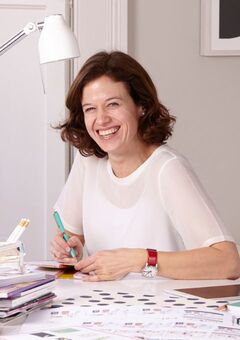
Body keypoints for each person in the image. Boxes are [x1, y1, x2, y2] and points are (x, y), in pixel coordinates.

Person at [51, 51, 240, 282]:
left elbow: (228, 262)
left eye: (112, 104)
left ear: (141, 106)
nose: (101, 120)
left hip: (164, 311)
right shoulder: (88, 162)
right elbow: (71, 235)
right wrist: (72, 250)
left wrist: (138, 260)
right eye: (90, 108)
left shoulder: (167, 169)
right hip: (101, 308)